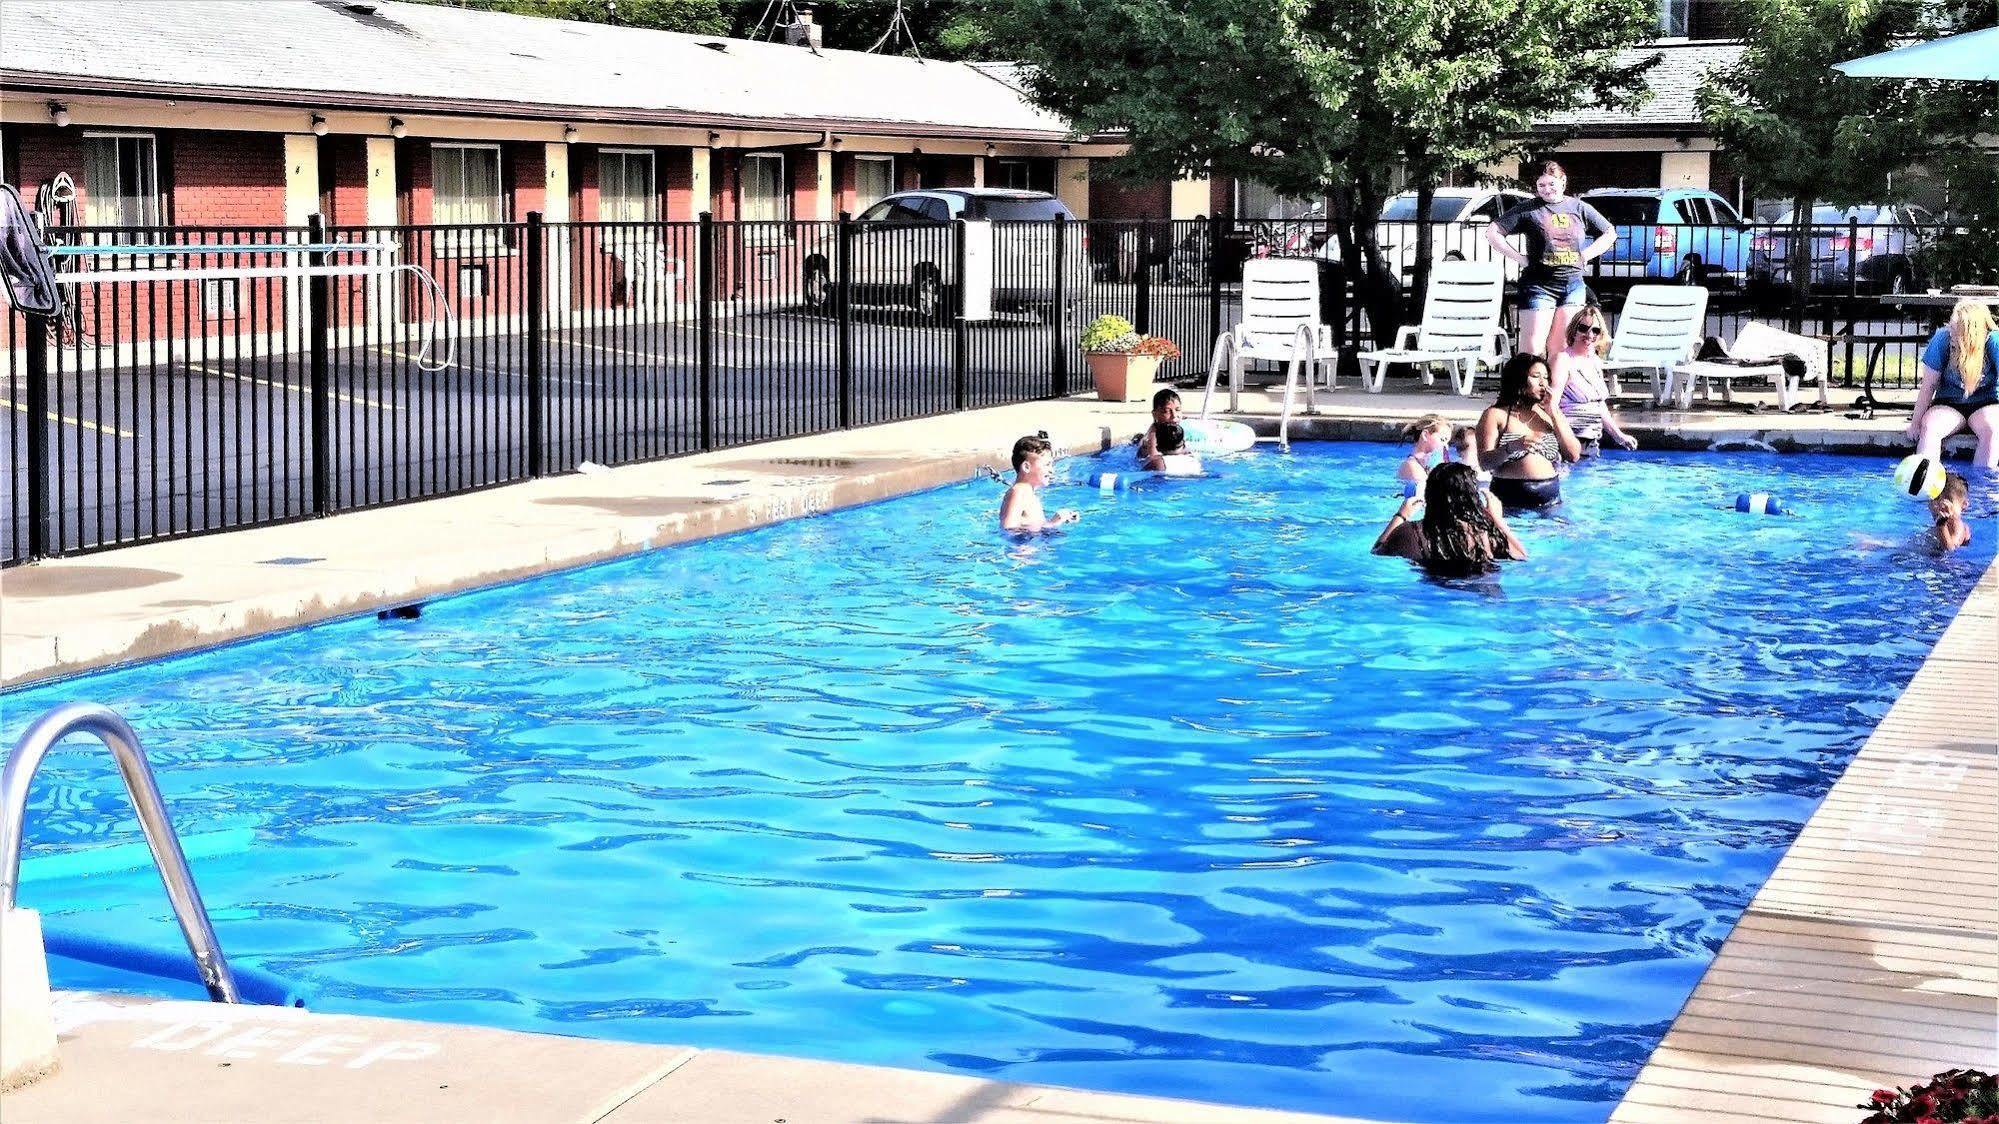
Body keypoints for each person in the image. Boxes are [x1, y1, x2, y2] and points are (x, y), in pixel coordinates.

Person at [1484, 161, 1617, 358]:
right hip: (1539, 286)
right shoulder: (1528, 209)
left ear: (1563, 182)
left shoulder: (1579, 207)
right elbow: (1493, 232)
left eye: (1551, 184)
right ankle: (1525, 388)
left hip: (1572, 286)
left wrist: (1586, 255)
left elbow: (1609, 232)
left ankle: (1556, 388)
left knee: (1562, 349)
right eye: (1542, 186)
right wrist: (1520, 258)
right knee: (1532, 349)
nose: (1547, 190)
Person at [1373, 461, 1528, 577]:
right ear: (1472, 497)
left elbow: (1378, 552)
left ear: (1430, 494)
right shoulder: (1485, 534)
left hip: (1433, 599)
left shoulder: (1411, 533)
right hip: (1485, 598)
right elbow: (1521, 556)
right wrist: (1496, 519)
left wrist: (1401, 515)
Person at [1477, 353, 1581, 510]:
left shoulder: (1550, 414)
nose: (1542, 383)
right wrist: (1511, 447)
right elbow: (1485, 463)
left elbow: (1573, 455)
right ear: (1518, 380)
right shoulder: (1496, 415)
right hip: (1509, 497)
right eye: (1535, 376)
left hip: (1550, 497)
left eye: (1546, 378)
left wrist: (1553, 410)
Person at [1906, 299, 1999, 469]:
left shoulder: (1993, 342)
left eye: (1957, 331)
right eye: (1951, 328)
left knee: (1992, 430)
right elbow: (1928, 386)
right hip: (1949, 403)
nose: (1952, 334)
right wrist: (1916, 422)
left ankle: (1983, 487)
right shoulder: (1942, 339)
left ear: (1972, 333)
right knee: (1930, 427)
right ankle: (1925, 482)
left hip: (1986, 403)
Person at [1548, 304, 1638, 458]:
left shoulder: (1595, 362)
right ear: (1573, 330)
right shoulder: (1563, 360)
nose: (1589, 335)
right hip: (1568, 442)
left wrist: (1619, 436)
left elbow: (1599, 404)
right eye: (1583, 328)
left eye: (1595, 330)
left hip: (1591, 443)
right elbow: (1551, 404)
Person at [999, 434, 1078, 533]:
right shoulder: (1018, 493)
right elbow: (1008, 532)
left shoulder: (1029, 494)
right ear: (1026, 467)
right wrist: (1052, 523)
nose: (1051, 471)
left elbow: (1034, 529)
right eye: (1047, 465)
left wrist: (1061, 519)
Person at [1397, 414, 1452, 496]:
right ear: (1425, 435)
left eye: (1447, 442)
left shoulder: (1427, 464)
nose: (1445, 446)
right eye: (1442, 439)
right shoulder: (1411, 466)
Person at [1136, 388, 1183, 464]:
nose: (1174, 415)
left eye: (1178, 410)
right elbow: (1153, 458)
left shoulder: (1177, 430)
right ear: (1155, 414)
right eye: (1166, 411)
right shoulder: (1153, 434)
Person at [1931, 470, 1972, 553]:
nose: (1939, 506)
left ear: (1964, 505)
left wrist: (1941, 524)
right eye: (1935, 499)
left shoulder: (1958, 526)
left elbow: (1950, 548)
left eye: (1947, 502)